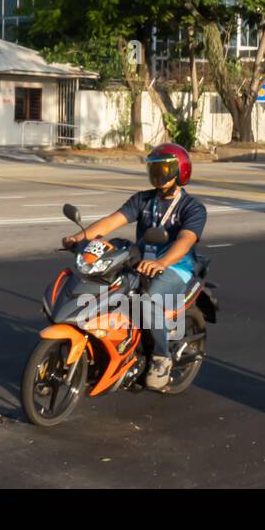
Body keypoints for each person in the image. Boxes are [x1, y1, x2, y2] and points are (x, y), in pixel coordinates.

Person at [61, 142, 206, 391]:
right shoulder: (143, 199)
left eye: (164, 169)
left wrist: (162, 262)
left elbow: (185, 240)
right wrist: (80, 238)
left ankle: (162, 357)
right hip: (140, 262)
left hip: (175, 268)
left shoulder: (193, 208)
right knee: (105, 285)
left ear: (179, 171)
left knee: (147, 301)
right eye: (154, 169)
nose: (158, 175)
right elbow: (111, 221)